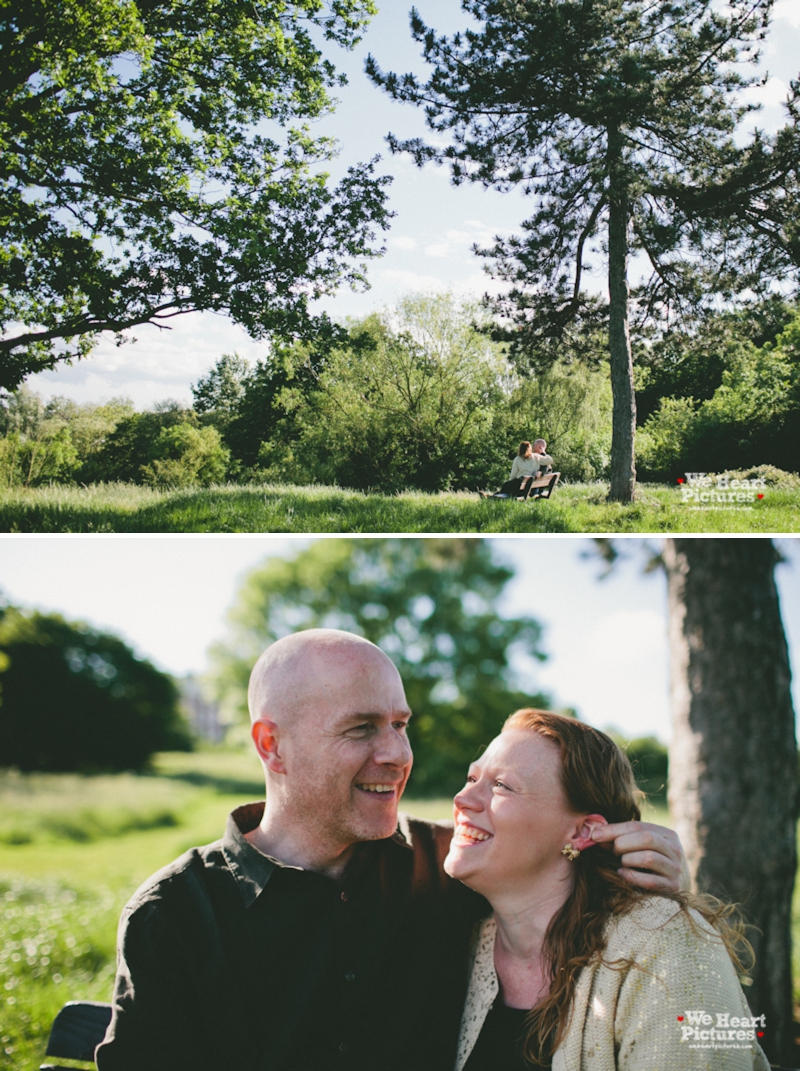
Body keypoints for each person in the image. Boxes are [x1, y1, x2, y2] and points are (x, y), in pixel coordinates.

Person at [95, 630, 686, 1071]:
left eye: (400, 724)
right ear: (271, 745)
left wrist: (647, 866)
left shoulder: (454, 866)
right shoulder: (173, 915)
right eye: (361, 729)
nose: (398, 754)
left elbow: (563, 875)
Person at [448, 709, 768, 1071]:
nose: (462, 799)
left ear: (581, 833)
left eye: (502, 785)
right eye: (472, 777)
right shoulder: (465, 936)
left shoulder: (665, 945)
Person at [480, 441, 555, 500]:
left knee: (506, 486)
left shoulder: (517, 459)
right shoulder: (537, 457)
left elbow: (513, 475)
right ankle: (490, 496)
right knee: (508, 487)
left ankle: (491, 497)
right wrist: (543, 452)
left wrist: (511, 481)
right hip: (532, 489)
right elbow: (550, 460)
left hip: (520, 487)